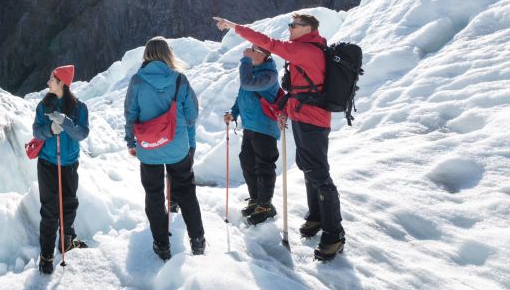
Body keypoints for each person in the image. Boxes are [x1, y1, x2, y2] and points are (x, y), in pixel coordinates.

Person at [214, 13, 346, 261]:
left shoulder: (306, 50)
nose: (290, 29)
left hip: (313, 120)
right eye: (290, 25)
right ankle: (316, 217)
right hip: (303, 116)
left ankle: (334, 234)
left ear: (309, 29)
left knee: (318, 173)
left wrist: (235, 26)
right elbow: (298, 89)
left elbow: (270, 44)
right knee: (308, 167)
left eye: (294, 26)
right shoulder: (306, 51)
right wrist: (285, 110)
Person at [124, 37, 205, 261]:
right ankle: (197, 240)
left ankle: (162, 245)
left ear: (146, 55)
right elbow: (191, 115)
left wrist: (131, 142)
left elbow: (130, 114)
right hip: (178, 147)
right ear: (168, 54)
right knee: (186, 192)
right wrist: (182, 133)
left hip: (149, 148)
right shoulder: (179, 80)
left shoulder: (137, 81)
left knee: (154, 195)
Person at [32, 64, 90, 274]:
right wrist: (49, 129)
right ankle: (46, 256)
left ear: (62, 83)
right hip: (48, 163)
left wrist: (64, 122)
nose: (48, 82)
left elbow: (81, 133)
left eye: (52, 79)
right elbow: (36, 132)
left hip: (68, 165)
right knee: (49, 210)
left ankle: (66, 241)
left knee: (69, 204)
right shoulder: (43, 106)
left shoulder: (79, 108)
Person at [224, 45, 281, 226]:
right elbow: (242, 95)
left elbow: (247, 84)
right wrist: (234, 113)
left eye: (254, 51)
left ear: (264, 55)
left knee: (264, 164)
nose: (249, 51)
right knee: (247, 160)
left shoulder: (269, 75)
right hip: (250, 126)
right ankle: (257, 200)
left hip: (264, 127)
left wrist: (245, 60)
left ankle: (266, 205)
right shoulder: (254, 72)